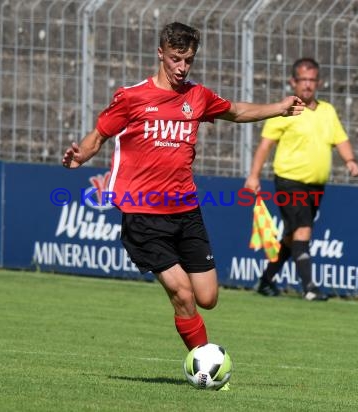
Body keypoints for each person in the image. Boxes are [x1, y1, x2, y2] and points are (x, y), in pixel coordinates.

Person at [62, 22, 304, 354]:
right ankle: (203, 362)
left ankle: (200, 351)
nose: (182, 67)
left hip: (186, 211)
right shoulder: (132, 97)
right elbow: (100, 134)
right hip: (143, 214)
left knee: (207, 298)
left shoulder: (197, 96)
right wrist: (81, 155)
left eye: (188, 60)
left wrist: (278, 108)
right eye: (176, 58)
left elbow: (236, 111)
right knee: (183, 294)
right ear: (160, 53)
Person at [244, 57, 358, 301]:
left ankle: (265, 281)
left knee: (291, 235)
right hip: (289, 180)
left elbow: (341, 139)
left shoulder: (327, 111)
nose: (307, 85)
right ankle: (310, 287)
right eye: (303, 80)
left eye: (312, 80)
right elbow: (266, 145)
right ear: (293, 82)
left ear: (318, 82)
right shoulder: (285, 110)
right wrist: (253, 175)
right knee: (303, 229)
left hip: (316, 185)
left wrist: (350, 160)